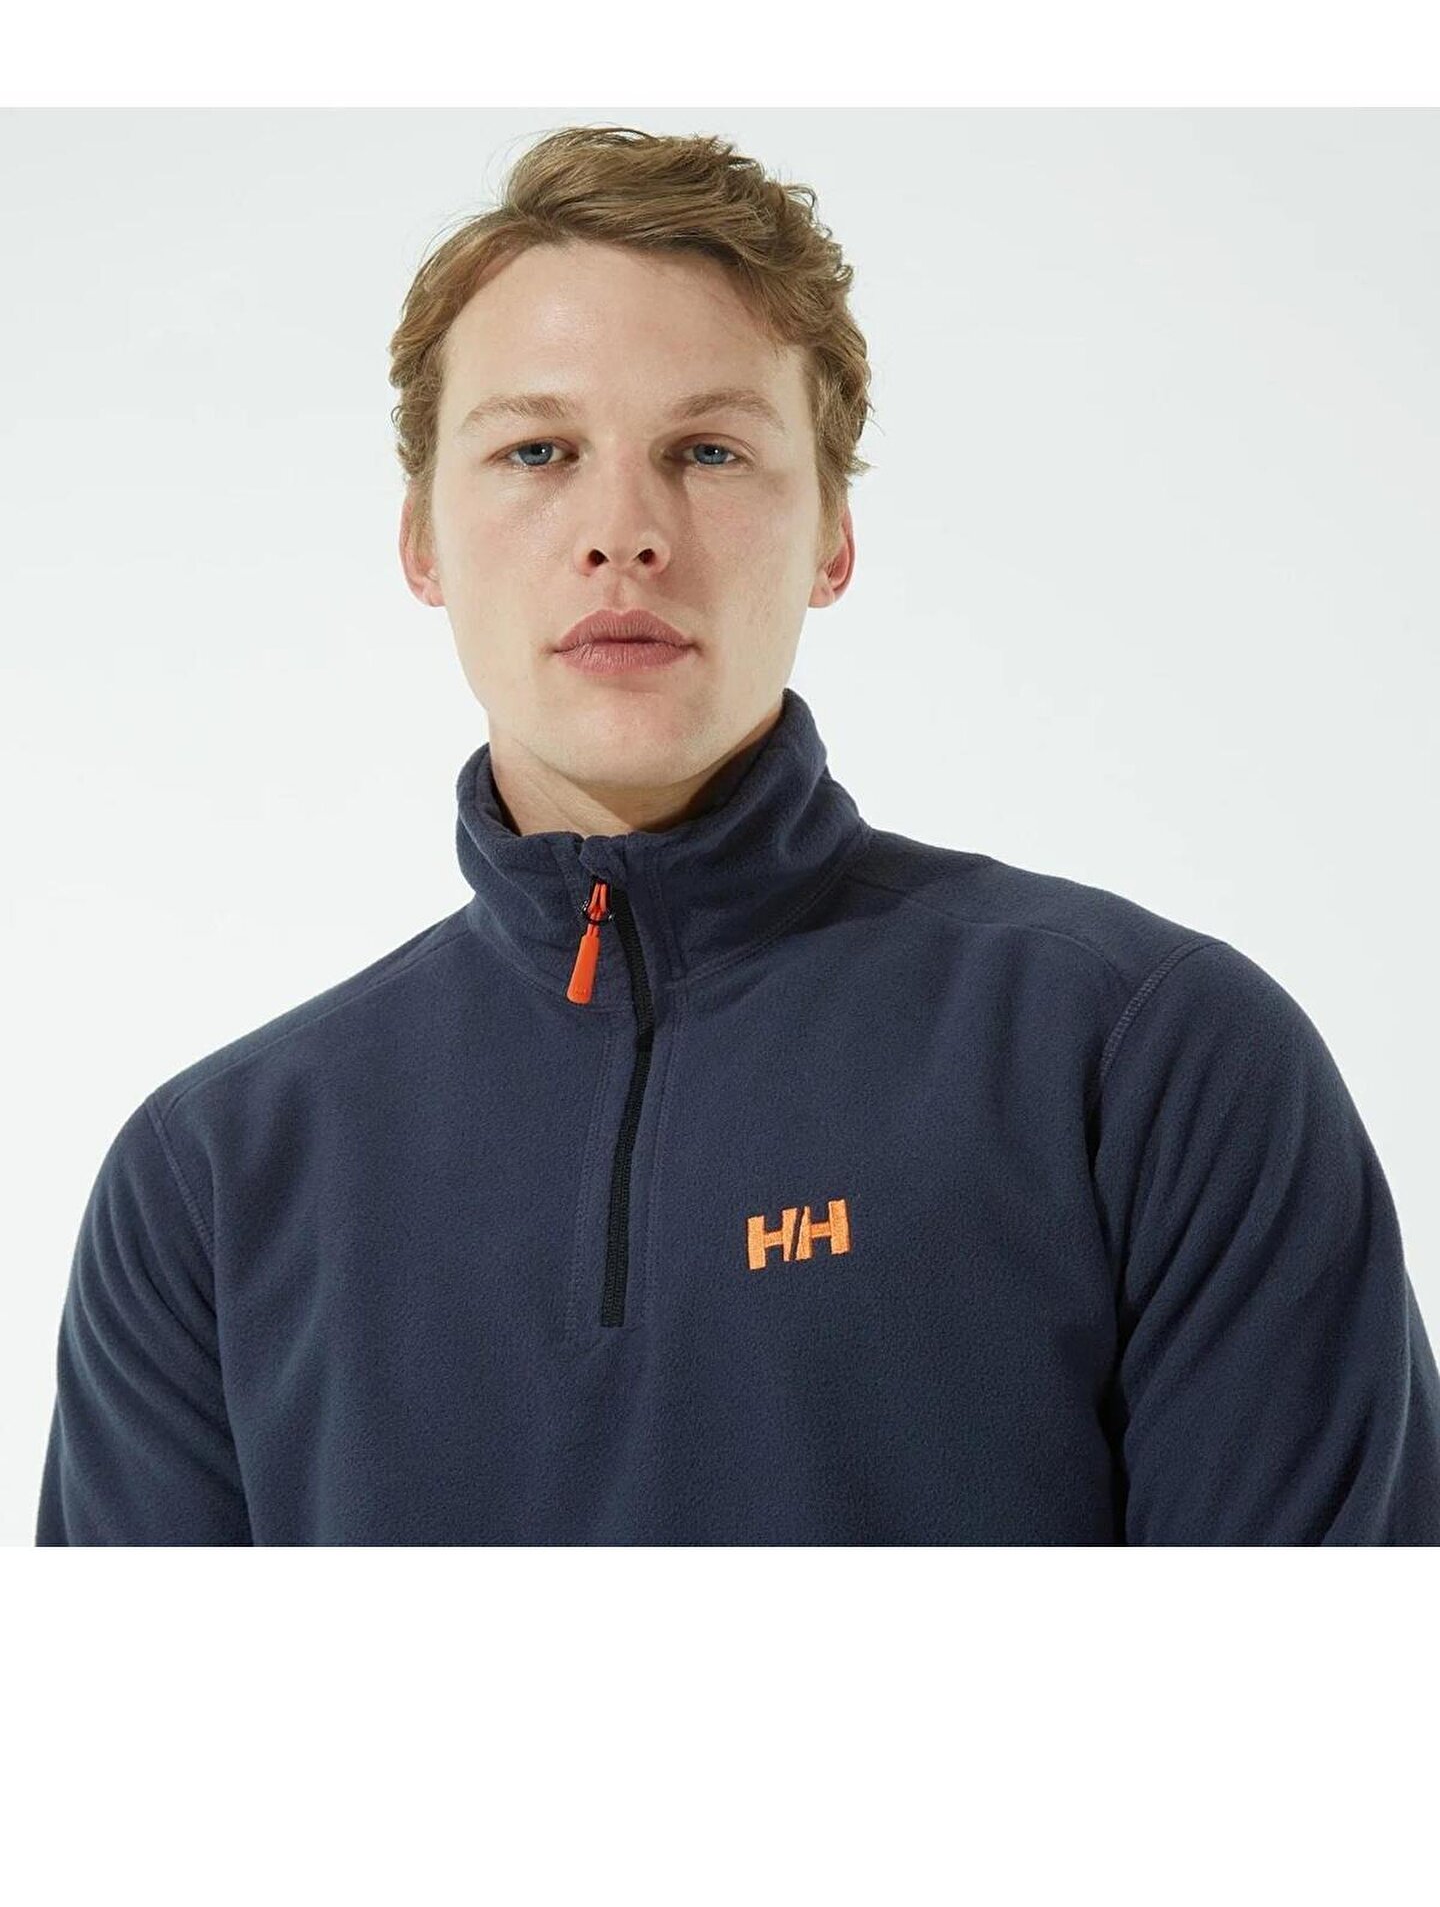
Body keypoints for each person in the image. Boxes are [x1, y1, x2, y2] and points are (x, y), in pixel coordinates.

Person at [36, 124, 1440, 1545]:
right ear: (421, 540)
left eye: (708, 450)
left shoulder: (1149, 1062)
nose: (624, 532)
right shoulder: (212, 1182)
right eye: (537, 450)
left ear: (833, 533)